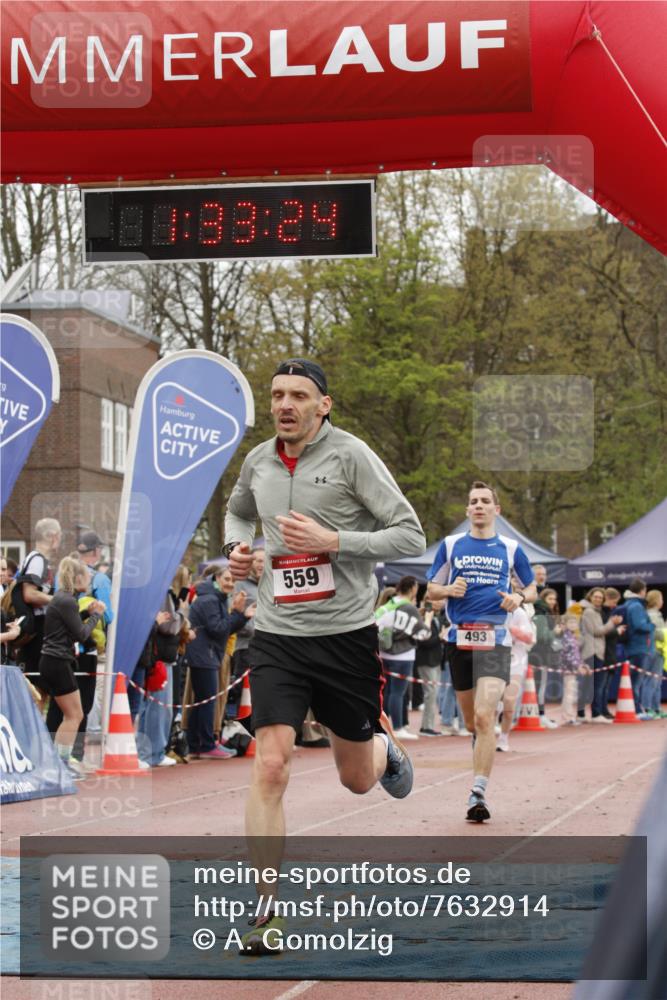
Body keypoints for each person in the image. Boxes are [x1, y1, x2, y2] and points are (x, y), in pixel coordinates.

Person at [224, 357, 426, 950]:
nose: (285, 404)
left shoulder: (352, 456)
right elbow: (238, 510)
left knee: (357, 780)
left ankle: (382, 747)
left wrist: (335, 540)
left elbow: (409, 534)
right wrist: (240, 548)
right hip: (280, 636)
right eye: (278, 394)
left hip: (345, 637)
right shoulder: (259, 460)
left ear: (323, 405)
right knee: (270, 764)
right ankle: (266, 914)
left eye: (299, 396)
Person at [426, 481, 536, 822]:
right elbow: (430, 590)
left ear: (496, 510)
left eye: (485, 501)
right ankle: (480, 750)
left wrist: (519, 597)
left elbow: (531, 587)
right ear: (467, 510)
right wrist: (448, 589)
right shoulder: (451, 544)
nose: (479, 506)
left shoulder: (510, 548)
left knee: (487, 716)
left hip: (495, 640)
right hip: (459, 639)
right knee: (473, 721)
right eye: (473, 501)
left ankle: (478, 791)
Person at [37, 556, 105, 778]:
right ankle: (60, 764)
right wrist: (96, 616)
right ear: (77, 578)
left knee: (71, 714)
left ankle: (58, 763)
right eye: (87, 575)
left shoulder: (64, 599)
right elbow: (82, 635)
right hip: (57, 662)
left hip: (53, 661)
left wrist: (86, 613)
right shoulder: (67, 600)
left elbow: (69, 623)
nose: (90, 580)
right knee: (74, 715)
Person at [186, 565, 252, 759]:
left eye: (233, 581)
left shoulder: (216, 599)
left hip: (208, 653)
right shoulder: (210, 600)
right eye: (226, 579)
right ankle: (205, 745)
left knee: (203, 700)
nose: (230, 584)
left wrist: (242, 616)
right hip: (204, 655)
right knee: (207, 701)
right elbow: (218, 629)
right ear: (216, 579)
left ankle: (197, 744)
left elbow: (223, 629)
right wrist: (238, 614)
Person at [376, 575, 430, 740]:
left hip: (384, 653)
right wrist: (427, 618)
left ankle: (383, 726)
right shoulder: (408, 607)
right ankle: (398, 727)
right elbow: (424, 633)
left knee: (387, 692)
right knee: (398, 693)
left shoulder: (389, 605)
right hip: (403, 655)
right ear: (413, 588)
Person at [12, 518, 62, 676]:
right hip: (37, 626)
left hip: (38, 624)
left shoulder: (37, 559)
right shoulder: (37, 560)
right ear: (52, 536)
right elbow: (29, 594)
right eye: (59, 536)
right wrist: (58, 600)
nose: (60, 540)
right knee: (36, 678)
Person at [579, 587, 624, 723]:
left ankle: (582, 714)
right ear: (590, 597)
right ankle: (595, 714)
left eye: (600, 597)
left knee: (589, 686)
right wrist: (612, 623)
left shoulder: (595, 611)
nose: (598, 599)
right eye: (596, 596)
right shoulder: (589, 612)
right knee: (595, 685)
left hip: (597, 651)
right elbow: (596, 631)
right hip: (592, 652)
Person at [497, 602, 536, 751]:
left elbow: (529, 637)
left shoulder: (518, 613)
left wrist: (509, 629)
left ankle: (503, 738)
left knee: (509, 701)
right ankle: (483, 736)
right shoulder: (491, 607)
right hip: (494, 660)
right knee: (491, 703)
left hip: (515, 661)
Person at [622, 578, 655, 717]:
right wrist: (652, 625)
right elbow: (640, 626)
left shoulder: (631, 604)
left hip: (636, 647)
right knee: (636, 681)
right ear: (642, 590)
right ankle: (636, 710)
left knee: (636, 681)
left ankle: (637, 709)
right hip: (639, 648)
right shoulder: (636, 606)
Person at [415, 597, 446, 737]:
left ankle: (429, 725)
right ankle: (426, 727)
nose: (441, 603)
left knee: (433, 694)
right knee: (430, 694)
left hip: (436, 660)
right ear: (429, 602)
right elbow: (423, 642)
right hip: (426, 661)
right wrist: (439, 637)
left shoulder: (437, 617)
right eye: (438, 600)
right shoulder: (423, 618)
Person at [532, 588, 562, 728]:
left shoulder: (544, 613)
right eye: (550, 599)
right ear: (543, 599)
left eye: (554, 599)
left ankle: (538, 715)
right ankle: (540, 715)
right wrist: (554, 632)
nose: (553, 602)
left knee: (537, 686)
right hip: (538, 655)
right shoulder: (541, 613)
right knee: (539, 686)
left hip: (540, 655)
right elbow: (542, 637)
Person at [559, 614, 586, 725]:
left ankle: (568, 716)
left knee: (571, 694)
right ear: (564, 625)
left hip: (572, 669)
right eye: (570, 622)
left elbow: (576, 654)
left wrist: (582, 664)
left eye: (575, 622)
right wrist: (578, 666)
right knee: (569, 694)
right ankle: (567, 718)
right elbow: (568, 655)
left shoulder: (572, 636)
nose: (573, 625)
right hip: (568, 669)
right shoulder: (566, 637)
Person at [645, 591, 666, 719]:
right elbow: (655, 632)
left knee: (657, 681)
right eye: (661, 598)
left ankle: (656, 708)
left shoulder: (657, 615)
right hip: (653, 650)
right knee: (651, 680)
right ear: (657, 600)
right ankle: (648, 709)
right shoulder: (652, 615)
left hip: (659, 651)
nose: (663, 601)